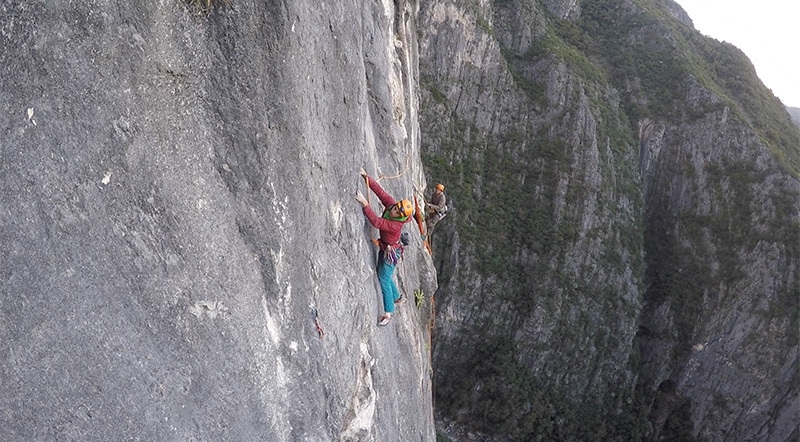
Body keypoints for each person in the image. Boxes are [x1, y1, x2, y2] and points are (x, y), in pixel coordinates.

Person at [355, 168, 414, 326]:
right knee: (385, 275)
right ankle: (396, 297)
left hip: (390, 252)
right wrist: (367, 178)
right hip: (386, 246)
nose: (395, 210)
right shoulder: (392, 206)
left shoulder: (396, 225)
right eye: (396, 207)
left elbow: (378, 223)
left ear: (402, 216)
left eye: (398, 211)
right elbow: (381, 193)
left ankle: (389, 312)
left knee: (383, 278)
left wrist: (365, 204)